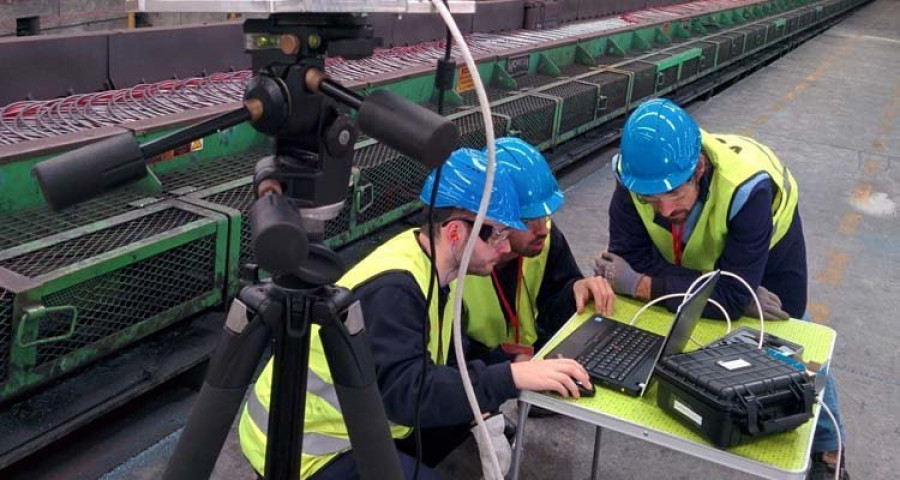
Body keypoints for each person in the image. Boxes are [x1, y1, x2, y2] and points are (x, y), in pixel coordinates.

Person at [239, 148, 592, 480]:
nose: (504, 248)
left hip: (350, 421)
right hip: (303, 450)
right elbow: (409, 395)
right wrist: (511, 379)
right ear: (456, 232)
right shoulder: (398, 289)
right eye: (497, 234)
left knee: (470, 400)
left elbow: (435, 358)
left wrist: (505, 363)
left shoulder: (429, 264)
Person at [595, 98, 848, 480]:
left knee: (794, 338)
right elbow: (629, 256)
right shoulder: (636, 178)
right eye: (651, 200)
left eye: (675, 194)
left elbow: (720, 292)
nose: (663, 210)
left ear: (699, 168)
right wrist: (722, 290)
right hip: (704, 258)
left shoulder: (748, 189)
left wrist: (645, 283)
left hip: (772, 254)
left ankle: (829, 449)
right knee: (706, 304)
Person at [464, 137, 615, 364]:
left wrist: (576, 289)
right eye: (527, 220)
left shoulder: (544, 238)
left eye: (544, 215)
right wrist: (504, 364)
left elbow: (551, 308)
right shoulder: (454, 264)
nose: (542, 228)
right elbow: (444, 357)